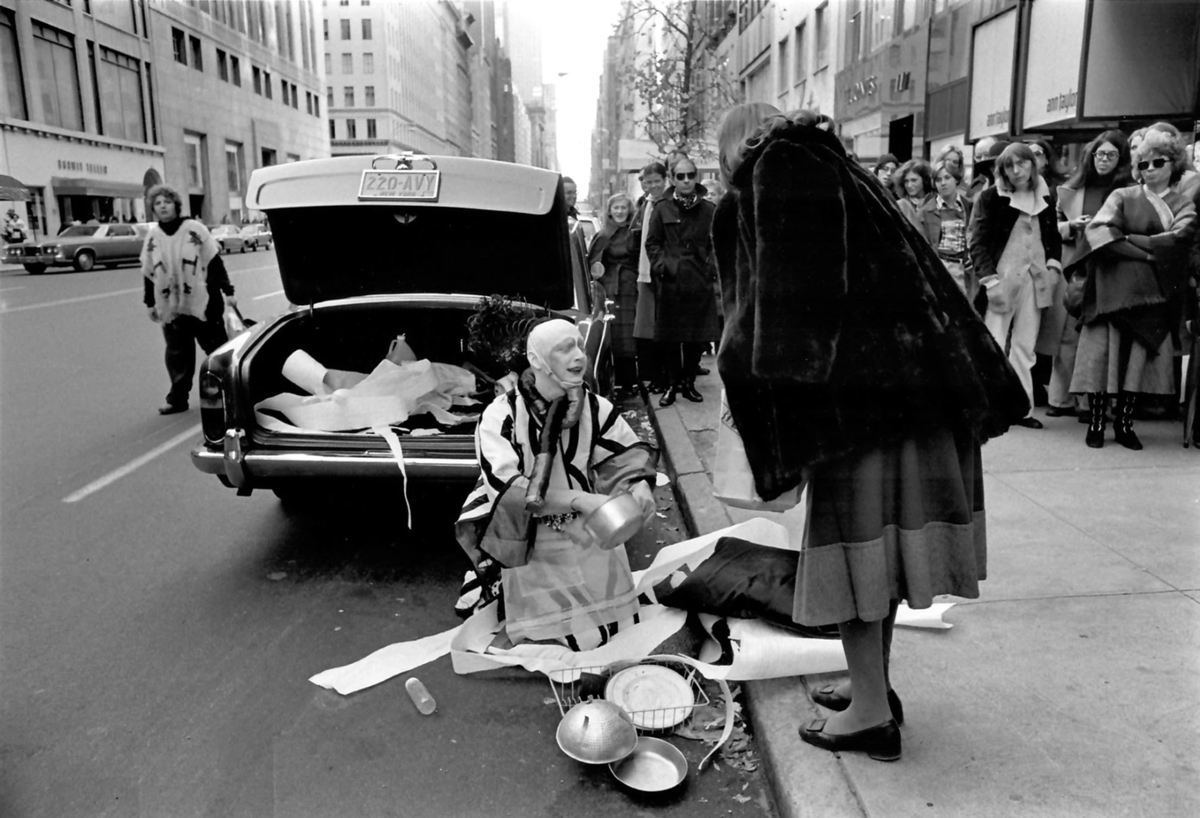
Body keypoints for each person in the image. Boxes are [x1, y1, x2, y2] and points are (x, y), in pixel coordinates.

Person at [713, 104, 1027, 762]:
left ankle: (871, 717)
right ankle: (871, 690)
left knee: (854, 554)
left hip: (866, 403)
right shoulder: (828, 165)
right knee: (873, 559)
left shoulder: (782, 163)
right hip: (908, 395)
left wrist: (780, 405)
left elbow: (796, 301)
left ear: (739, 149)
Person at [453, 319, 658, 648]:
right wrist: (579, 500)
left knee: (614, 633)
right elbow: (508, 490)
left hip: (586, 527)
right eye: (565, 349)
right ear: (537, 361)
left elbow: (625, 455)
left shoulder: (593, 406)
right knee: (553, 639)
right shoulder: (500, 416)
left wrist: (638, 485)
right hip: (528, 531)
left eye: (579, 345)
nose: (579, 356)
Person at [1071, 129, 1197, 449]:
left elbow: (1179, 240)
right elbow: (1098, 232)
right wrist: (1149, 254)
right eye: (1143, 164)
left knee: (1136, 362)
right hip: (1110, 289)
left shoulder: (1184, 203)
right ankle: (1097, 422)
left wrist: (1127, 238)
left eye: (1158, 162)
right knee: (1101, 357)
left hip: (1152, 293)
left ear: (1175, 164)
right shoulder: (1122, 195)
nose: (1150, 168)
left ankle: (1125, 424)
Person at [968, 142, 1064, 429]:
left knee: (1025, 347)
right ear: (1003, 170)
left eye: (1022, 163)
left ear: (1033, 165)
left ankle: (1021, 410)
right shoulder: (990, 197)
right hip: (1002, 281)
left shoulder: (1043, 197)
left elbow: (1053, 239)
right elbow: (978, 243)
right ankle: (988, 408)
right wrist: (990, 281)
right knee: (993, 345)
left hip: (1034, 282)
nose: (1017, 170)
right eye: (1010, 165)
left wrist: (1052, 269)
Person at [1048, 130, 1134, 421]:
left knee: (1100, 338)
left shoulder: (1129, 190)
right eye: (1099, 154)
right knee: (1068, 332)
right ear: (1090, 155)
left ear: (1121, 159)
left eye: (1111, 155)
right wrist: (1071, 226)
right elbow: (1052, 227)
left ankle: (1092, 402)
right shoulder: (1071, 188)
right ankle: (1061, 399)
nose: (1104, 160)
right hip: (1076, 266)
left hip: (1111, 269)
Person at [142, 183, 236, 415]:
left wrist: (228, 291)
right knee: (177, 354)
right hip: (172, 306)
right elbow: (148, 272)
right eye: (157, 203)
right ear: (153, 209)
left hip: (204, 302)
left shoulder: (194, 229)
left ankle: (231, 393)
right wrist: (150, 303)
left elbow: (214, 262)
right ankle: (178, 398)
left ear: (176, 204)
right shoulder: (154, 236)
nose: (162, 207)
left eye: (167, 202)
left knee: (217, 352)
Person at [644, 157, 720, 407]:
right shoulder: (662, 207)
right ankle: (672, 385)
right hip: (671, 281)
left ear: (695, 177)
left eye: (690, 175)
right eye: (680, 176)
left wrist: (709, 267)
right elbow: (652, 242)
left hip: (699, 281)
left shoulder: (708, 209)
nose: (686, 180)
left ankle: (688, 383)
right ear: (672, 179)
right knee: (670, 337)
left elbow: (715, 243)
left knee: (695, 337)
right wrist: (662, 266)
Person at [587, 192, 639, 391]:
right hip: (610, 288)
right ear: (609, 210)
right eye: (616, 207)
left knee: (630, 334)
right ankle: (614, 378)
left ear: (629, 210)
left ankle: (630, 379)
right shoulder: (603, 235)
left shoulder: (635, 232)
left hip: (630, 287)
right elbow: (593, 263)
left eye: (623, 207)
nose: (619, 211)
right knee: (613, 333)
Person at [631, 161, 669, 393]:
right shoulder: (645, 204)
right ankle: (654, 376)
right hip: (645, 273)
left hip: (661, 271)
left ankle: (664, 377)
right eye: (649, 181)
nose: (653, 185)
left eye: (657, 181)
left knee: (663, 329)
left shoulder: (669, 203)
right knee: (648, 328)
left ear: (665, 180)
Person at [920, 159, 975, 296]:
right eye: (938, 180)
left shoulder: (968, 206)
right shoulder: (927, 211)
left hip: (963, 268)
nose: (943, 183)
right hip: (941, 266)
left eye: (947, 177)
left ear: (956, 179)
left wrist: (972, 256)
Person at [894, 159, 934, 230]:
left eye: (914, 180)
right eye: (906, 181)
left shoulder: (935, 202)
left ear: (925, 180)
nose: (909, 185)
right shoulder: (901, 205)